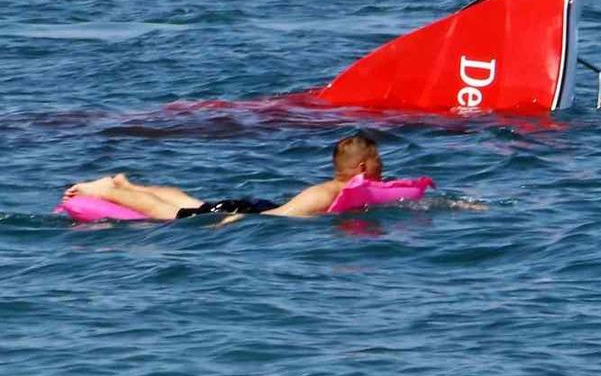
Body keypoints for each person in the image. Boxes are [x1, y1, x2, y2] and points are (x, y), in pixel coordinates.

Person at [62, 133, 383, 219]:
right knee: (172, 215)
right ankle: (103, 190)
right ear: (362, 168)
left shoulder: (338, 192)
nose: (382, 167)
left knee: (191, 201)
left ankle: (126, 185)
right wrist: (236, 221)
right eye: (377, 161)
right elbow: (281, 219)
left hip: (258, 206)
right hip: (254, 214)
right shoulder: (325, 193)